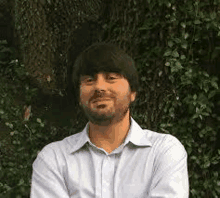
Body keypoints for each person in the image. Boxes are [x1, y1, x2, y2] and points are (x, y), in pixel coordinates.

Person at [30, 42, 189, 197]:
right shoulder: (54, 159)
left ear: (132, 92)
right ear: (79, 96)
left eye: (111, 78)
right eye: (89, 80)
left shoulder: (163, 152)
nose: (99, 87)